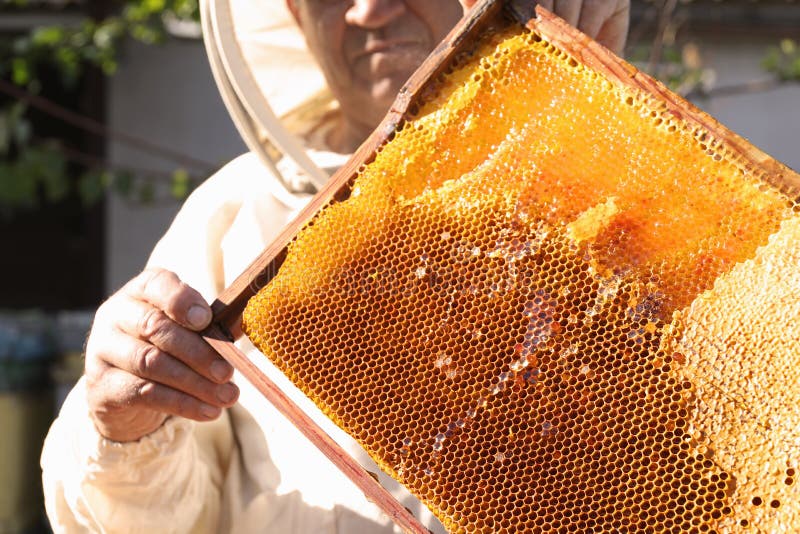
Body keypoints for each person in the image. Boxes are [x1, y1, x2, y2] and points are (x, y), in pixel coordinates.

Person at [41, 0, 630, 532]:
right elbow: (147, 522)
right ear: (295, 13)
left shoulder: (625, 188)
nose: (369, 11)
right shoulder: (235, 217)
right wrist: (125, 431)